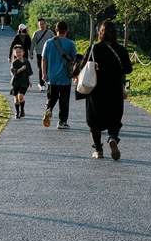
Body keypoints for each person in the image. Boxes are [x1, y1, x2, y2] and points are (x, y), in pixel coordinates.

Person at [83, 20, 132, 160]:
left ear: (100, 33)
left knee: (94, 121)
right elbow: (128, 69)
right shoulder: (121, 49)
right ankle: (112, 138)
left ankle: (98, 150)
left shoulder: (94, 48)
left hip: (96, 90)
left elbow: (83, 66)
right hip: (115, 89)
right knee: (114, 118)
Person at [41, 20, 77, 130]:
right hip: (65, 77)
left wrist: (44, 73)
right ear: (66, 31)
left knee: (52, 97)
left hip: (52, 77)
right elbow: (75, 61)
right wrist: (76, 76)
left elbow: (44, 59)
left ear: (56, 30)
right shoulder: (71, 44)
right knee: (64, 100)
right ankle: (62, 122)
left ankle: (49, 109)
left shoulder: (48, 42)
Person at [9, 44, 32, 119]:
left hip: (24, 82)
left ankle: (22, 110)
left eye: (20, 52)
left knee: (21, 96)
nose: (18, 53)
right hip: (16, 82)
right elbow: (14, 72)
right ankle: (17, 112)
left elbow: (28, 72)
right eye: (17, 52)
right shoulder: (14, 63)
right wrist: (21, 69)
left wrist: (30, 81)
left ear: (23, 52)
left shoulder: (26, 61)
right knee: (16, 99)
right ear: (14, 54)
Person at [31, 19, 53, 91]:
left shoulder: (50, 33)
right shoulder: (36, 33)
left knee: (48, 68)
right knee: (41, 69)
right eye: (40, 24)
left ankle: (48, 82)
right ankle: (41, 84)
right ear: (38, 25)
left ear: (46, 24)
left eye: (43, 24)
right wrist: (31, 53)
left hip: (49, 53)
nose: (42, 25)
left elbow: (55, 42)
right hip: (39, 53)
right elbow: (32, 43)